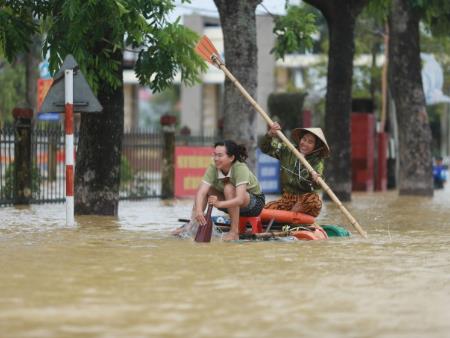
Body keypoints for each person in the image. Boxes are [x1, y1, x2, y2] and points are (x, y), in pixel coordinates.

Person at [173, 140, 265, 241]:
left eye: (220, 155)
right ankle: (193, 226)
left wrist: (219, 204)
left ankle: (234, 232)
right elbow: (202, 191)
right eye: (215, 155)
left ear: (231, 158)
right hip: (229, 203)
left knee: (228, 188)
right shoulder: (213, 167)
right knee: (205, 188)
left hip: (254, 205)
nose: (216, 159)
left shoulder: (240, 168)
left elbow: (240, 199)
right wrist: (199, 210)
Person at [258, 122, 330, 217]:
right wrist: (270, 134)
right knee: (264, 211)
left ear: (315, 147)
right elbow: (265, 148)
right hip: (287, 199)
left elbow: (317, 185)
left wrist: (314, 179)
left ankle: (291, 215)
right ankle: (289, 216)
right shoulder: (287, 150)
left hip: (304, 200)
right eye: (304, 139)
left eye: (310, 142)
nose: (305, 144)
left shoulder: (317, 161)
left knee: (315, 202)